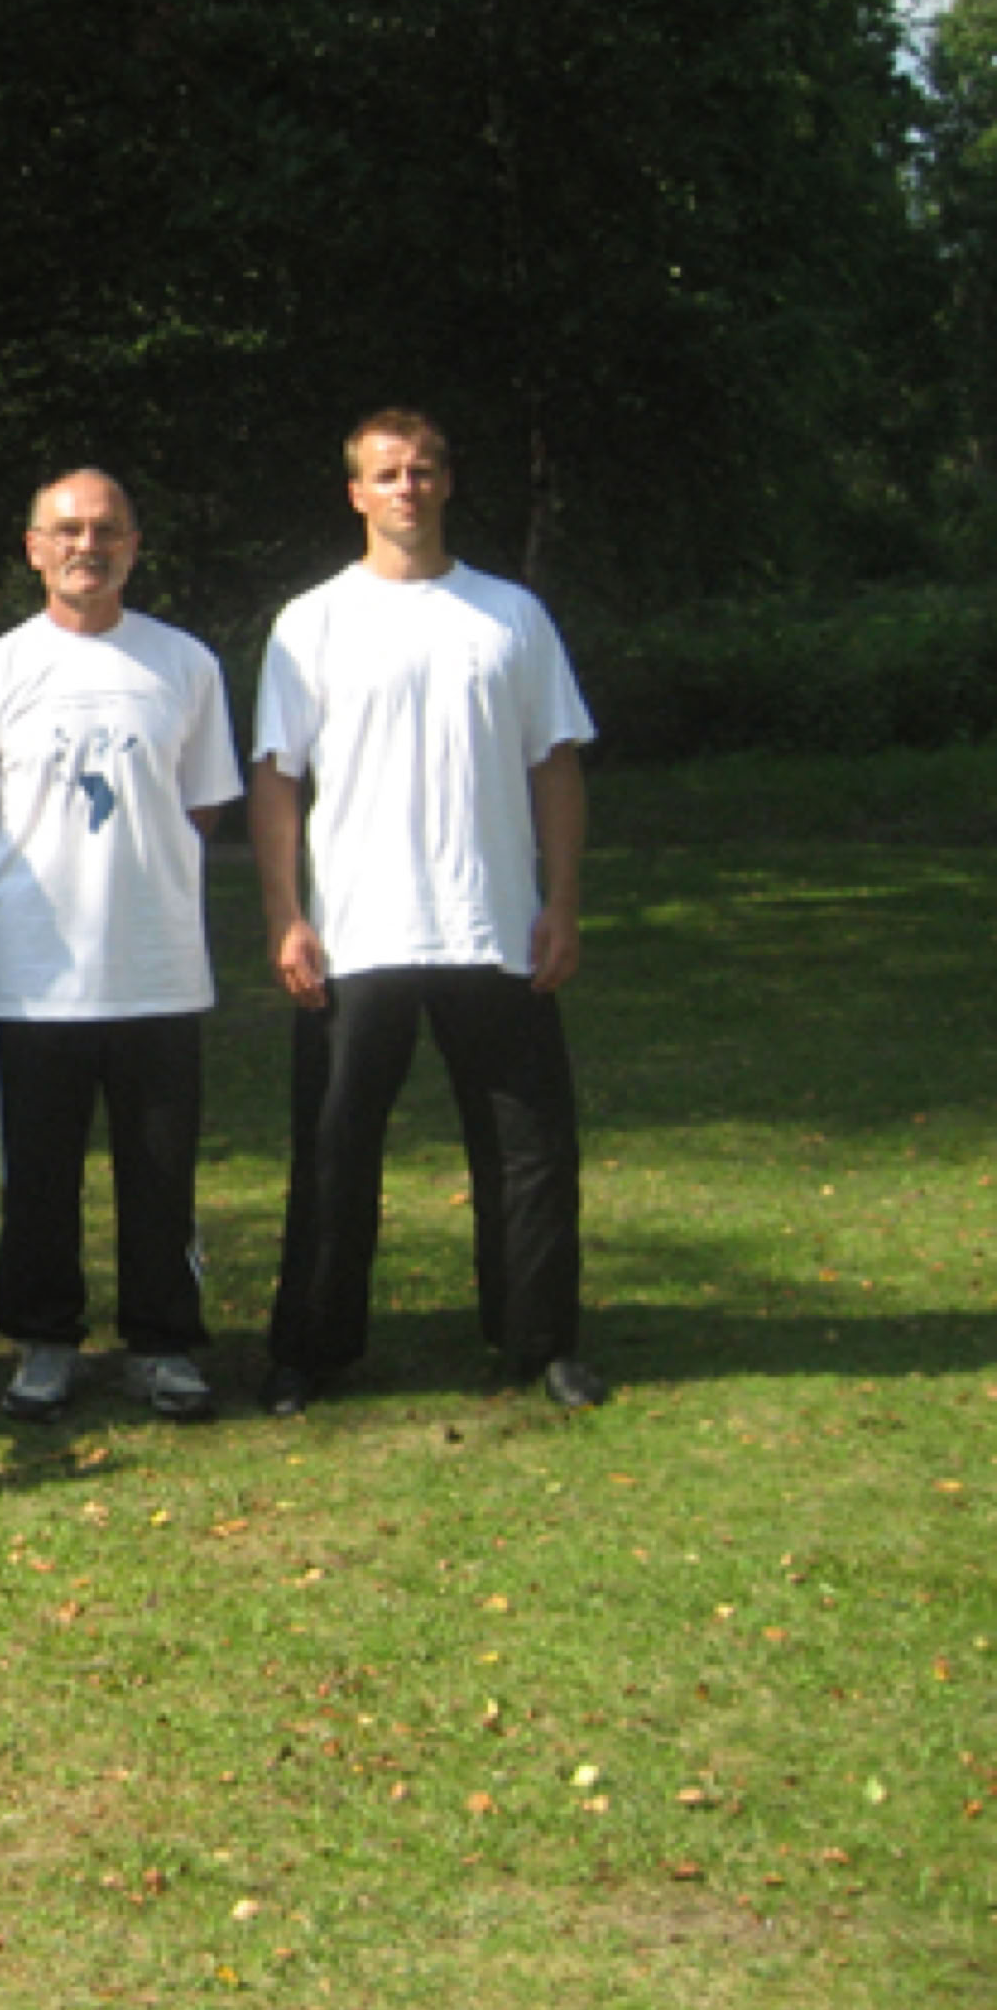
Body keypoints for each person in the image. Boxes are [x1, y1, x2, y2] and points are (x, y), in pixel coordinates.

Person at [249, 409, 603, 1415]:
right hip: (357, 933)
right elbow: (276, 778)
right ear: (355, 493)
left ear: (446, 483)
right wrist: (284, 914)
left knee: (529, 1148)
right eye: (386, 473)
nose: (405, 487)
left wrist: (561, 901)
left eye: (421, 470)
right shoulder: (311, 622)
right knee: (333, 1147)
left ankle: (540, 1342)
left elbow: (555, 763)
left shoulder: (509, 616)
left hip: (494, 924)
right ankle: (309, 1349)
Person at [0, 470, 242, 1423]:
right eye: (67, 530)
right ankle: (44, 1341)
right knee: (38, 1176)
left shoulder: (184, 665)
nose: (87, 546)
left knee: (161, 1173)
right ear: (34, 549)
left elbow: (201, 807)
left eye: (107, 530)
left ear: (134, 547)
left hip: (158, 968)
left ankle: (163, 1344)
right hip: (39, 978)